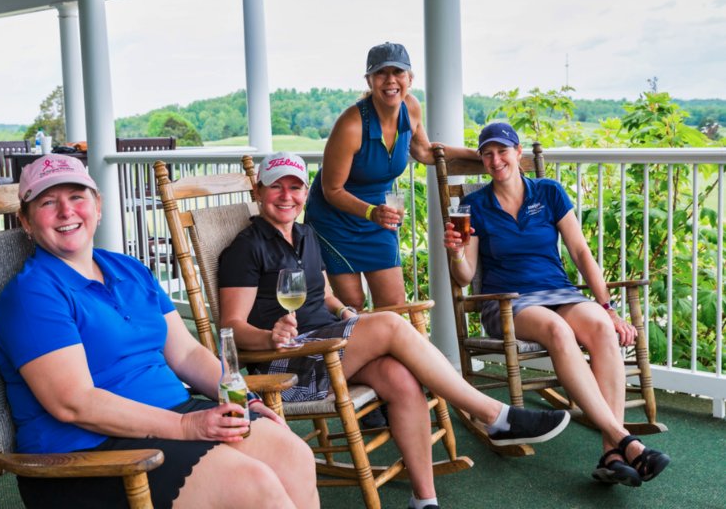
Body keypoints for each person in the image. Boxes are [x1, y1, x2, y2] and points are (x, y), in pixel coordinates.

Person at [219, 152, 570, 509]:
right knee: (387, 322)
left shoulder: (306, 234)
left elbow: (322, 293)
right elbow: (230, 326)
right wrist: (270, 336)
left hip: (326, 343)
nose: (286, 195)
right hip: (288, 363)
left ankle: (425, 500)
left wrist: (344, 309)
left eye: (294, 187)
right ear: (259, 191)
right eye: (275, 187)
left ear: (306, 193)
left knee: (400, 378)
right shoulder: (247, 249)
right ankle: (495, 415)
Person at [0, 154, 319, 509]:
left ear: (97, 207)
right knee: (252, 485)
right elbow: (74, 403)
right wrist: (184, 427)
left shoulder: (128, 269)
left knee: (293, 454)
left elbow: (187, 354)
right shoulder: (33, 295)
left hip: (172, 413)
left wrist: (243, 396)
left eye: (77, 197)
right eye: (47, 202)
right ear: (25, 220)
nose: (66, 211)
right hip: (84, 453)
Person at [443, 122, 671, 487]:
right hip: (509, 302)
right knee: (558, 331)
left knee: (599, 327)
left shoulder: (548, 192)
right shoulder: (474, 206)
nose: (495, 159)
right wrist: (455, 253)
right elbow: (466, 276)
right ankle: (626, 440)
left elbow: (580, 251)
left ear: (518, 154)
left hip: (558, 292)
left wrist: (607, 306)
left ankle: (612, 453)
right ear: (483, 160)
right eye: (487, 153)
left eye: (503, 151)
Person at [304, 41, 479, 312]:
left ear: (409, 78)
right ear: (369, 80)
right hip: (336, 220)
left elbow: (424, 151)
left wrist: (476, 154)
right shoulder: (351, 124)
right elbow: (332, 190)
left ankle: (387, 355)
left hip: (381, 218)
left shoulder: (411, 108)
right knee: (352, 305)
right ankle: (357, 354)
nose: (390, 80)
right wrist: (372, 212)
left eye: (398, 72)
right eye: (381, 73)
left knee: (394, 305)